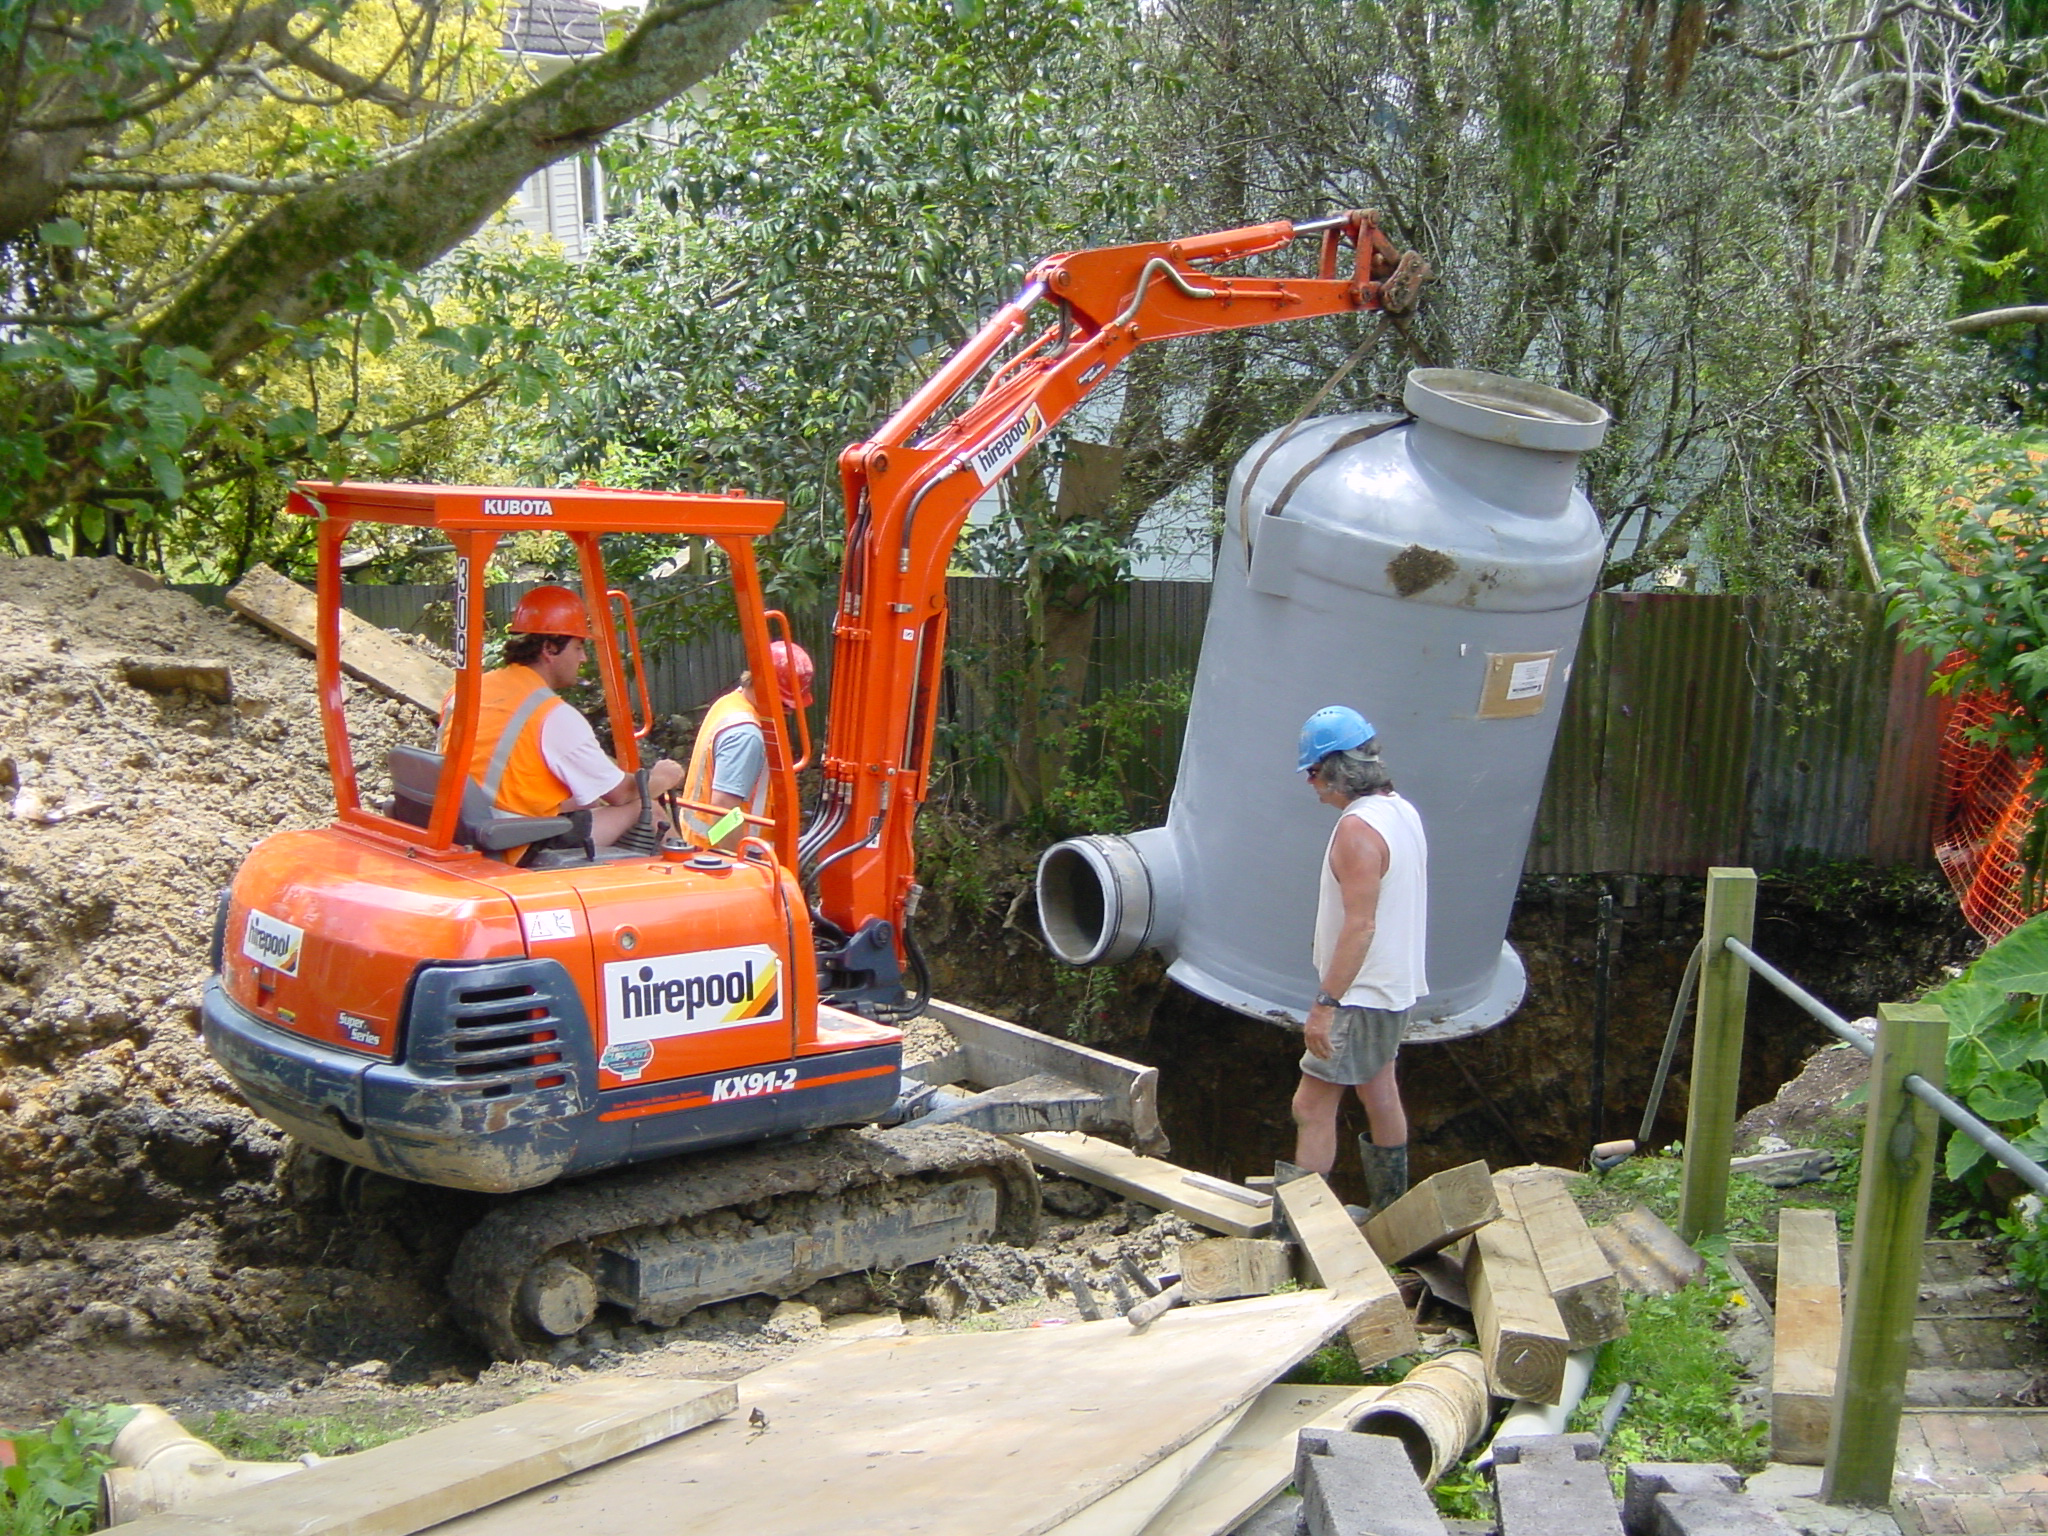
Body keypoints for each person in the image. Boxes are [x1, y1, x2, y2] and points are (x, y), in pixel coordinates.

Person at [1290, 705, 1429, 1216]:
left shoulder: (1357, 831)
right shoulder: (1401, 812)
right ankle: (1395, 1217)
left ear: (1335, 769)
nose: (1310, 783)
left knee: (1310, 1105)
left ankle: (1301, 1231)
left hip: (1359, 994)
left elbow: (1360, 925)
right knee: (1380, 1094)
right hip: (1391, 989)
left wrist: (1326, 1004)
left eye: (1312, 771)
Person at [453, 584, 683, 851]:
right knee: (646, 807)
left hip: (467, 827)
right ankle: (695, 876)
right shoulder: (552, 715)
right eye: (578, 647)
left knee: (589, 800)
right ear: (550, 649)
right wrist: (663, 777)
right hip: (513, 843)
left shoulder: (469, 691)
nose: (584, 658)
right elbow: (623, 794)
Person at [680, 639, 815, 848]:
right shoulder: (746, 735)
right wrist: (735, 864)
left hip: (702, 849)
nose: (789, 711)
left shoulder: (731, 703)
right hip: (721, 857)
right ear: (761, 685)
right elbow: (724, 808)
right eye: (784, 703)